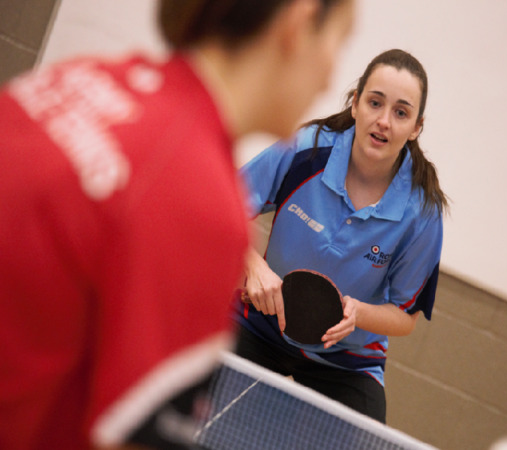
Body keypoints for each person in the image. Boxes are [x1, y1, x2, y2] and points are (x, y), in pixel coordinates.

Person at [0, 1, 355, 449]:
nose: (328, 78)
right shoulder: (200, 199)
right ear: (297, 25)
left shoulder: (76, 78)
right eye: (338, 42)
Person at [237, 48, 448, 423]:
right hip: (261, 324)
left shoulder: (422, 213)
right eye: (375, 102)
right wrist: (253, 266)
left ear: (416, 128)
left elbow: (406, 317)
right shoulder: (306, 150)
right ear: (355, 104)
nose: (384, 121)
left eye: (401, 113)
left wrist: (358, 313)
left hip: (347, 361)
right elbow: (222, 208)